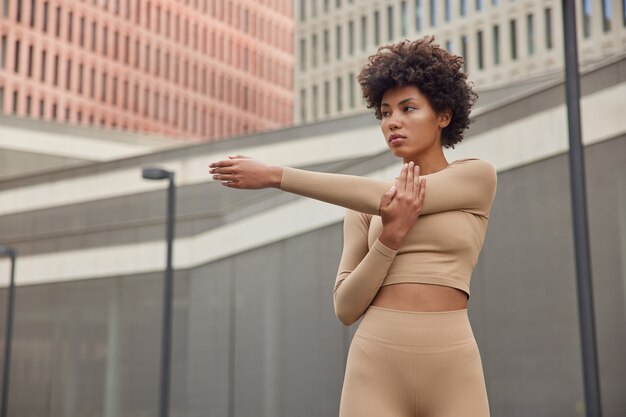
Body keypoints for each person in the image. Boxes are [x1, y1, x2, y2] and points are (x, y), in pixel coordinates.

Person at [209, 36, 496, 417]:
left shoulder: (476, 177)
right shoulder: (361, 208)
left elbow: (396, 198)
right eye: (384, 112)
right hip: (376, 363)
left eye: (408, 108)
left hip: (452, 363)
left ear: (443, 115)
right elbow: (345, 308)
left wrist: (277, 175)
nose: (393, 121)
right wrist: (389, 240)